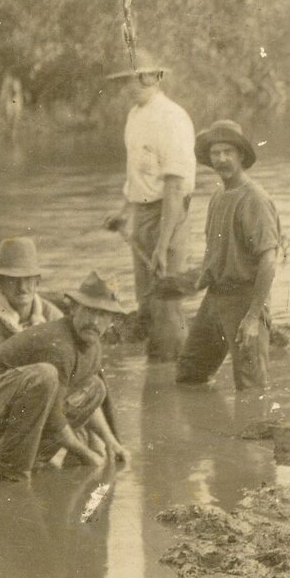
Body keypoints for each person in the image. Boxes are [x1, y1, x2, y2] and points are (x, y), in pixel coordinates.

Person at [0, 273, 131, 481]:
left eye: (103, 315)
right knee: (45, 376)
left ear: (112, 321)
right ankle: (7, 473)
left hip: (6, 415)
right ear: (74, 308)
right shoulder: (58, 344)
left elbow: (88, 400)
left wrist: (110, 441)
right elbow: (54, 417)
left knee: (96, 387)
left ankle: (27, 459)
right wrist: (86, 454)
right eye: (89, 311)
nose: (95, 321)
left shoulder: (93, 346)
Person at [101, 51, 196, 360]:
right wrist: (124, 213)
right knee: (146, 299)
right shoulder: (134, 116)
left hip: (168, 214)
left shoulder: (171, 118)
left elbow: (173, 186)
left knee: (166, 299)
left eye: (141, 77)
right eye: (128, 79)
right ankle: (158, 372)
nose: (134, 84)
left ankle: (176, 377)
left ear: (156, 77)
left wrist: (163, 242)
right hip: (142, 214)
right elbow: (137, 176)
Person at [176, 120, 281, 392]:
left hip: (245, 299)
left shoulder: (254, 199)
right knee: (190, 372)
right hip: (216, 296)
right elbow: (216, 252)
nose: (221, 159)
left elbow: (269, 261)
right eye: (215, 153)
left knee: (252, 387)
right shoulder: (218, 194)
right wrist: (189, 282)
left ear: (241, 155)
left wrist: (253, 317)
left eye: (227, 152)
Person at [0, 237, 60, 364]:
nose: (22, 288)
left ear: (37, 283)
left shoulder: (52, 315)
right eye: (13, 280)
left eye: (27, 279)